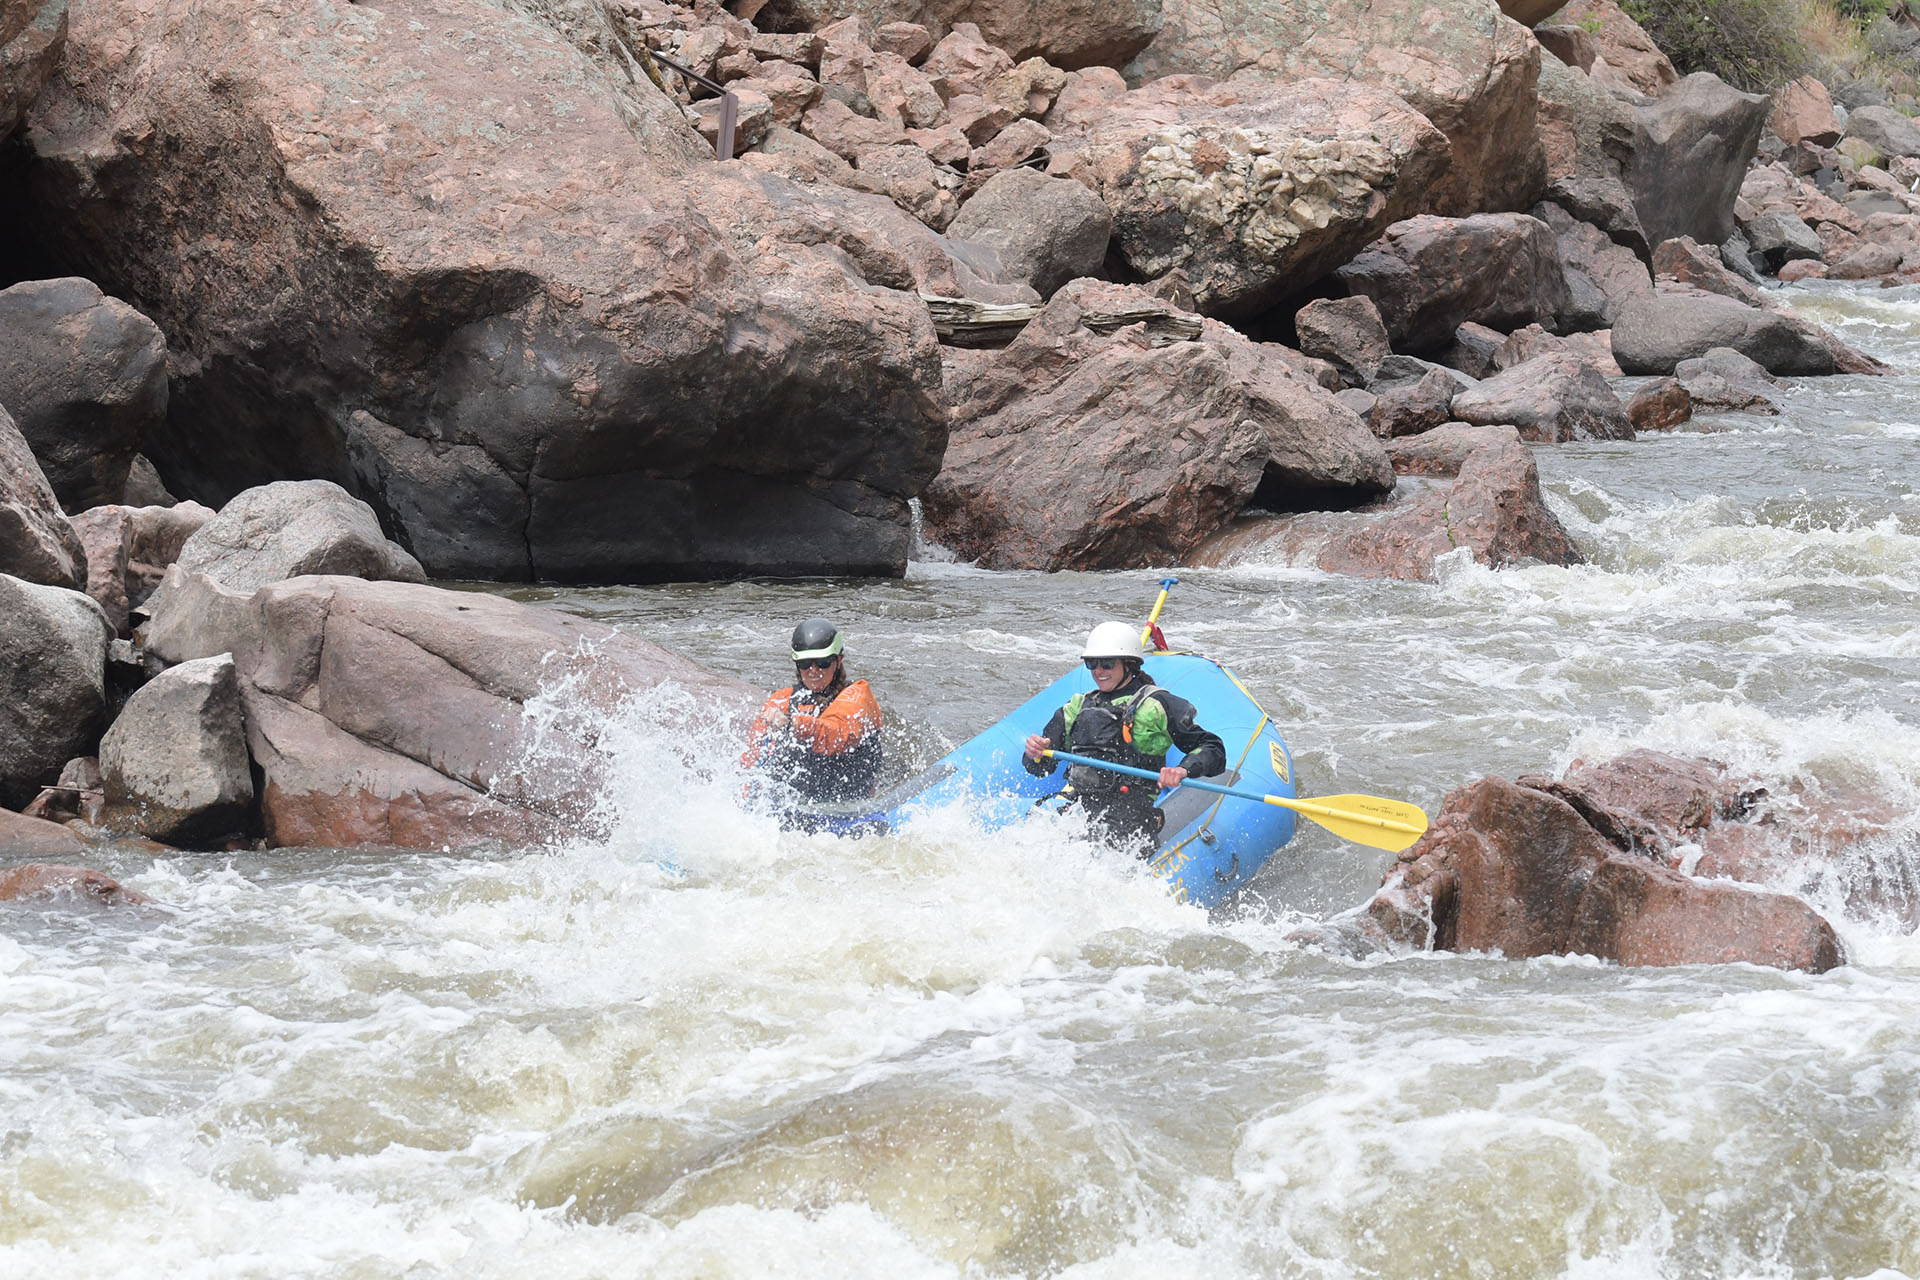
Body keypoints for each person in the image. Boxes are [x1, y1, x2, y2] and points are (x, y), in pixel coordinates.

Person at [1022, 621, 1226, 853]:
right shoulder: (1077, 707)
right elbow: (1040, 768)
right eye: (1092, 663)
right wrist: (1035, 753)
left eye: (1107, 663)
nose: (1098, 671)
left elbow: (1213, 748)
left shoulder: (1156, 705)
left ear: (1129, 664)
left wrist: (1183, 770)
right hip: (1080, 805)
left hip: (1130, 814)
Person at [742, 618, 884, 804]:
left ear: (838, 660)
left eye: (823, 662)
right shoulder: (781, 700)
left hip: (851, 802)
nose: (813, 670)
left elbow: (836, 734)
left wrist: (793, 723)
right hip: (799, 805)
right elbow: (753, 759)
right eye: (805, 663)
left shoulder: (858, 694)